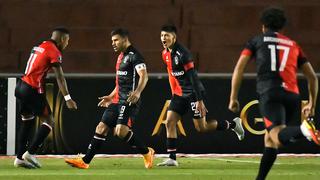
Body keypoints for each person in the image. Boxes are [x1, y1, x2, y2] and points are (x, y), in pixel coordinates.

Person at [228, 7, 320, 180]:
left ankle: (303, 130)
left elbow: (239, 68)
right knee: (269, 140)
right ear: (282, 27)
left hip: (270, 93)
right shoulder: (293, 44)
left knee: (277, 136)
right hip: (292, 96)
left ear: (263, 25)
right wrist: (311, 104)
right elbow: (313, 78)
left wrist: (233, 97)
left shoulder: (256, 41)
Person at [65, 28, 155, 169]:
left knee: (120, 131)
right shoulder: (120, 56)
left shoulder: (135, 56)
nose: (113, 43)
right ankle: (85, 161)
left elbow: (144, 76)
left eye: (116, 40)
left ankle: (147, 152)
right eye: (112, 41)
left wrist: (137, 92)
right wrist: (111, 96)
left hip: (129, 100)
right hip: (117, 100)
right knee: (101, 128)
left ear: (125, 40)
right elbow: (120, 82)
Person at [157, 24, 245, 167]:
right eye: (161, 35)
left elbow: (193, 78)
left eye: (166, 35)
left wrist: (199, 100)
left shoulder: (183, 54)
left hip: (193, 93)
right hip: (179, 94)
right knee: (169, 122)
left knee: (202, 128)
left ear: (174, 37)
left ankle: (234, 124)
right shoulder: (165, 54)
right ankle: (172, 158)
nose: (163, 38)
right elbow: (171, 74)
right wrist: (174, 92)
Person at [14, 27, 78, 168]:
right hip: (31, 89)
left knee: (27, 122)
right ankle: (30, 153)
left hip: (20, 86)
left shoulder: (40, 45)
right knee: (49, 120)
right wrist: (67, 98)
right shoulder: (53, 50)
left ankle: (19, 158)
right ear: (62, 39)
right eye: (67, 41)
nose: (67, 44)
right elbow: (60, 77)